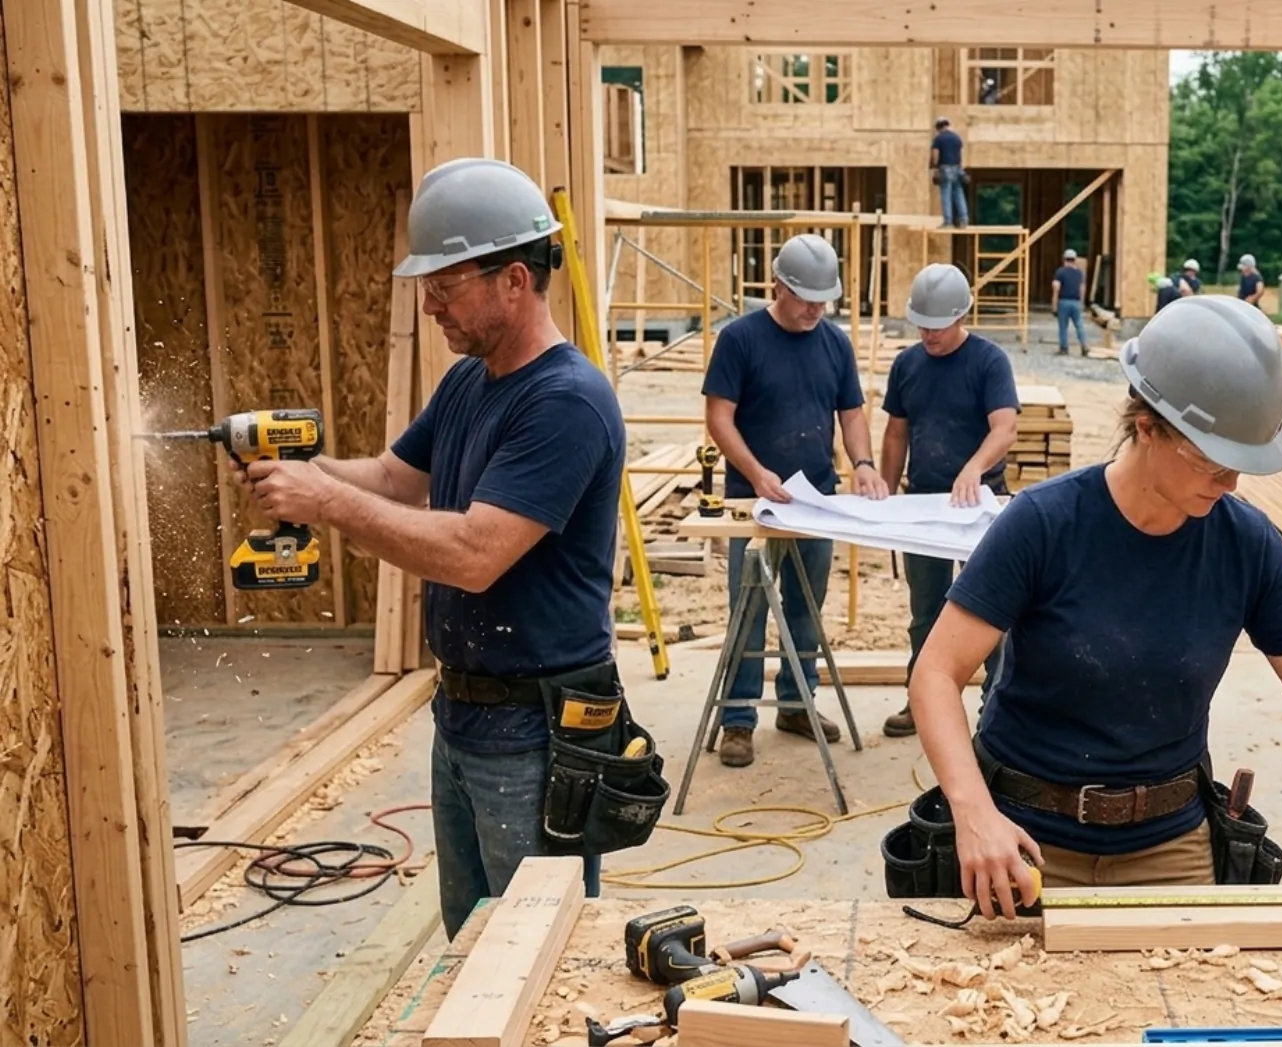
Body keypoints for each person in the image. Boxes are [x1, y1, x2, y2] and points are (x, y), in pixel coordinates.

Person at [907, 294, 1282, 913]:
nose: (1232, 483)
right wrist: (972, 812)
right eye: (1213, 464)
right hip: (1024, 842)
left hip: (1170, 846)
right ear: (1148, 427)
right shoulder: (1043, 525)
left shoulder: (1246, 544)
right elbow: (937, 673)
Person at [234, 157, 636, 937]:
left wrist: (325, 500)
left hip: (539, 731)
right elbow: (393, 476)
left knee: (530, 954)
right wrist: (302, 471)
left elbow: (474, 552)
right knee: (472, 943)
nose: (430, 307)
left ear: (514, 280)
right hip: (467, 713)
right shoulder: (470, 380)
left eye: (445, 287)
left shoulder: (567, 402)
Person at [703, 233, 890, 768]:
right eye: (805, 297)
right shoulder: (740, 339)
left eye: (822, 298)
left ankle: (796, 701)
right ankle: (737, 718)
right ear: (777, 286)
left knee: (807, 607)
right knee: (749, 609)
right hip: (753, 502)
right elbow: (720, 416)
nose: (815, 308)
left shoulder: (833, 343)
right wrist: (756, 473)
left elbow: (851, 413)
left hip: (816, 501)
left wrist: (863, 464)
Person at [877, 264, 1021, 739]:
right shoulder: (907, 364)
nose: (929, 334)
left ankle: (996, 716)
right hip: (923, 506)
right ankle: (923, 704)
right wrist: (885, 491)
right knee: (926, 614)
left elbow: (1004, 427)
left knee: (990, 614)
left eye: (938, 326)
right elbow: (897, 431)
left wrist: (973, 468)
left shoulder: (988, 361)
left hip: (981, 507)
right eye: (922, 325)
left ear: (962, 316)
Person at [931, 117, 969, 229]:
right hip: (957, 168)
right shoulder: (957, 138)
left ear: (938, 127)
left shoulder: (938, 139)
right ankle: (964, 220)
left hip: (945, 168)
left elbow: (935, 156)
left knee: (946, 195)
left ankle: (948, 222)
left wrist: (935, 168)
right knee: (959, 194)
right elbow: (961, 155)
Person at [1051, 248, 1089, 356]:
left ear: (1064, 259)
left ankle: (1064, 348)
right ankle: (1084, 346)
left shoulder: (1060, 272)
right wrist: (1081, 303)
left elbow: (1056, 288)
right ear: (1074, 260)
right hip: (1076, 302)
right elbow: (1082, 288)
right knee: (1079, 325)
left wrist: (1054, 305)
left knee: (1063, 326)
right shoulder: (1079, 273)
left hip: (1063, 302)